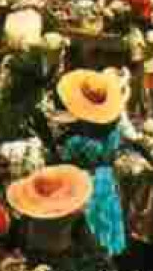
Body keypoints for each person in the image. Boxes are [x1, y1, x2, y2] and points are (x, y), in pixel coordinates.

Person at [56, 69, 141, 259]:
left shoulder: (77, 139)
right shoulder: (113, 132)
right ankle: (108, 262)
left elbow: (66, 159)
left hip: (84, 181)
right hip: (107, 179)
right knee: (106, 220)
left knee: (89, 224)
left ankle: (91, 261)